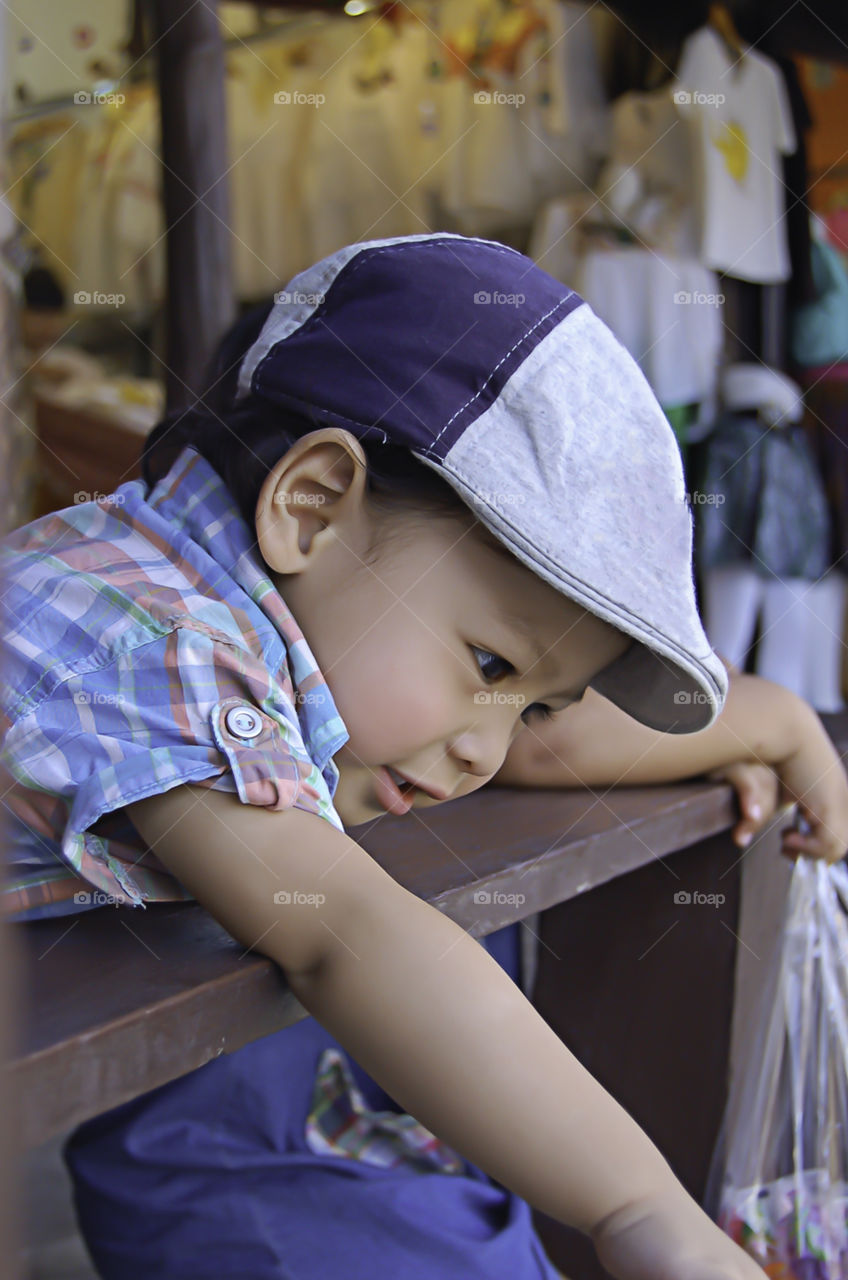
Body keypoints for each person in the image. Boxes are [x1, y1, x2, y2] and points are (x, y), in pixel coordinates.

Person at [2, 233, 846, 1280]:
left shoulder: (257, 616)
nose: (486, 749)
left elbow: (550, 743)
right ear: (310, 504)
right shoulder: (146, 633)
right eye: (487, 660)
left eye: (526, 695)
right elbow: (345, 934)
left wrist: (783, 724)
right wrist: (637, 1208)